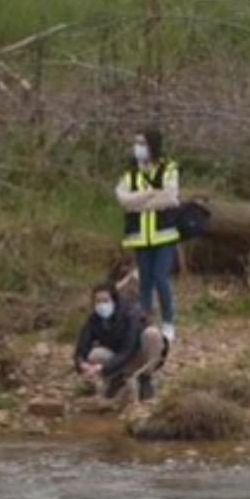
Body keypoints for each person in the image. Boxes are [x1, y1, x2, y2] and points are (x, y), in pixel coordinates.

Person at [115, 127, 180, 347]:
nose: (138, 148)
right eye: (136, 143)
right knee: (145, 281)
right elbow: (124, 199)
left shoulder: (168, 168)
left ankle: (169, 321)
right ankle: (144, 320)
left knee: (161, 277)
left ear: (152, 145)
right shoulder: (130, 173)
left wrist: (139, 203)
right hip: (140, 236)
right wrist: (150, 194)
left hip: (164, 234)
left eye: (142, 143)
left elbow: (170, 198)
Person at [71, 281, 166, 402]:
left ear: (114, 300)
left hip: (138, 354)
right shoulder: (93, 319)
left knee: (152, 334)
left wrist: (102, 367)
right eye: (98, 301)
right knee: (95, 354)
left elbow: (128, 349)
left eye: (105, 301)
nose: (101, 305)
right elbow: (81, 348)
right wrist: (82, 365)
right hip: (116, 356)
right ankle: (116, 378)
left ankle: (145, 377)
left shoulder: (131, 314)